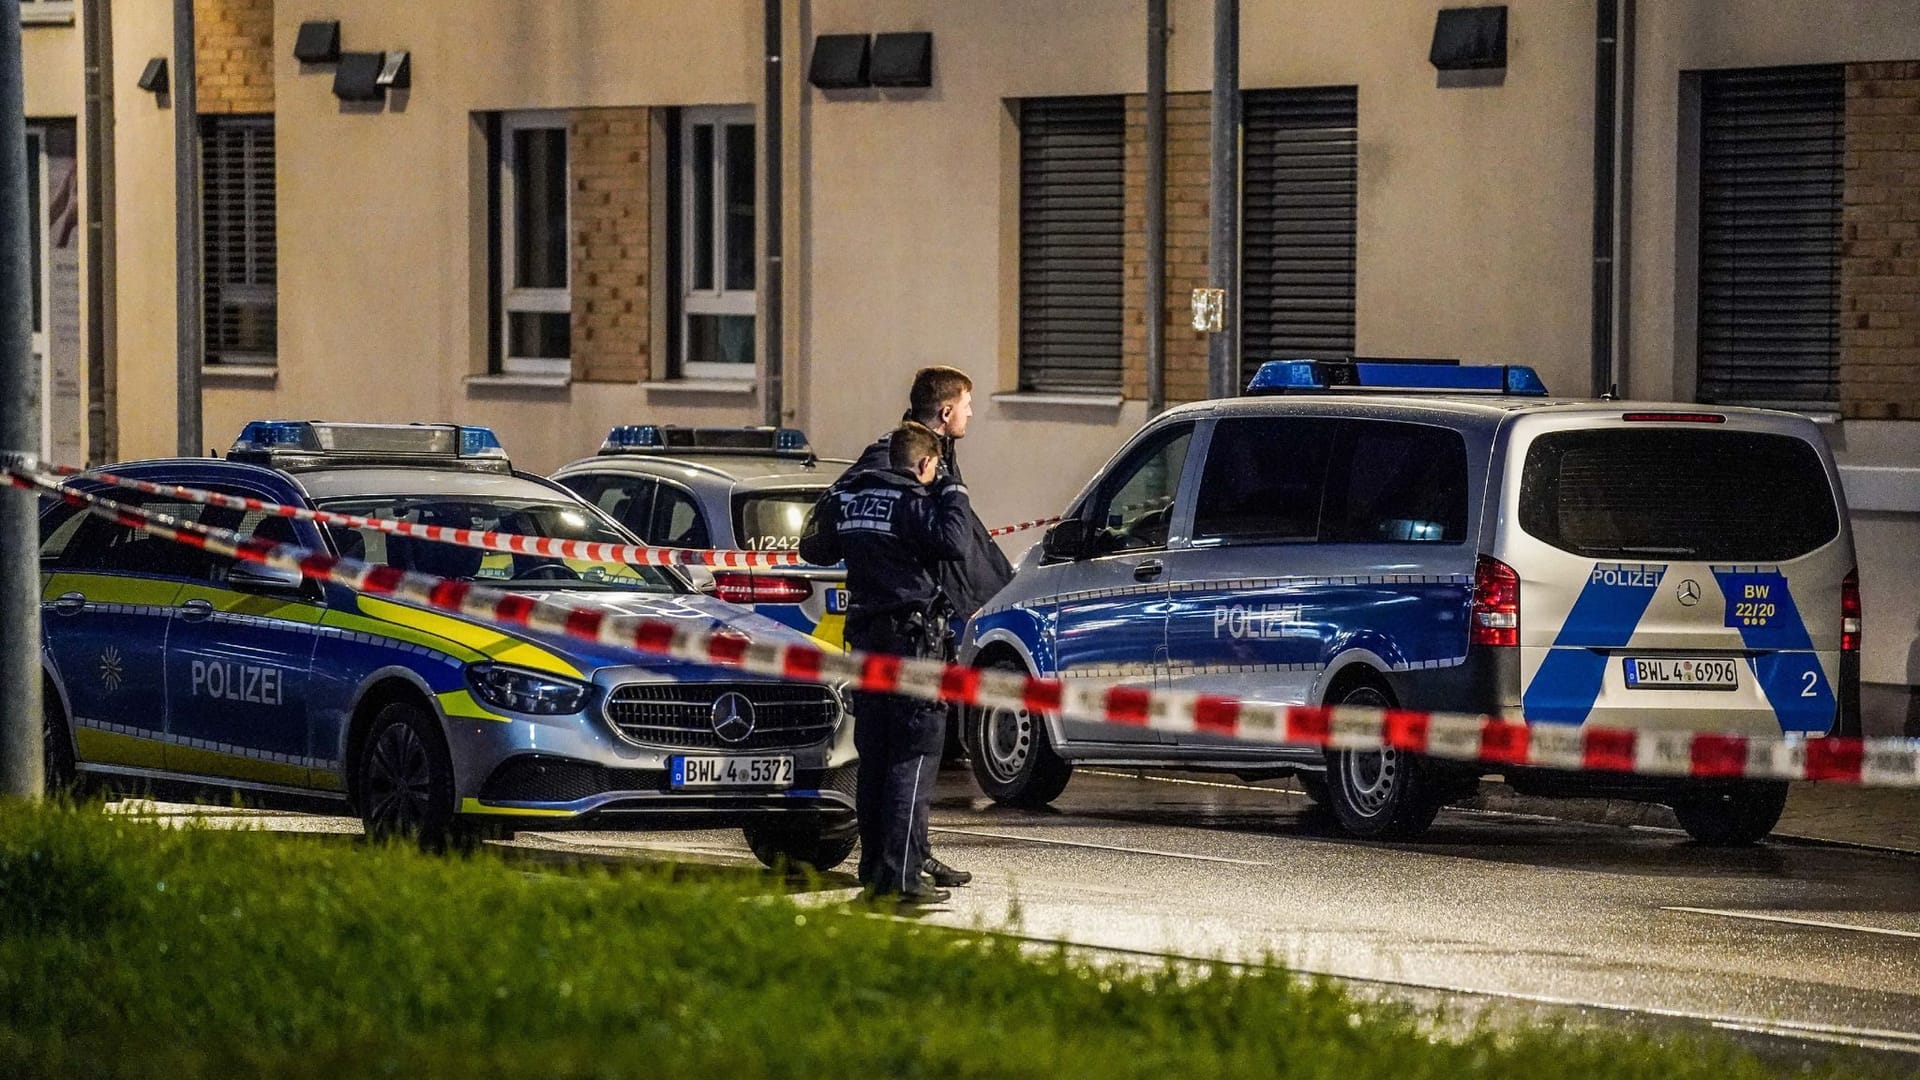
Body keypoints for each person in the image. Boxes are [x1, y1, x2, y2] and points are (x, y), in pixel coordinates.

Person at [845, 367, 1014, 890]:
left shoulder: (920, 457)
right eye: (965, 405)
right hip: (907, 632)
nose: (970, 414)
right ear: (944, 413)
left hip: (885, 629)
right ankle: (897, 871)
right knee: (910, 753)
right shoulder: (891, 461)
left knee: (888, 753)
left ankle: (911, 853)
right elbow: (947, 540)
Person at [799, 422, 973, 904]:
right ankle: (901, 880)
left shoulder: (853, 500)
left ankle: (875, 871)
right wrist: (953, 486)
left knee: (875, 759)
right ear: (922, 464)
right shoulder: (913, 503)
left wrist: (838, 495)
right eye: (933, 466)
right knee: (912, 757)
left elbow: (813, 547)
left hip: (866, 643)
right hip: (912, 645)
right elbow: (956, 542)